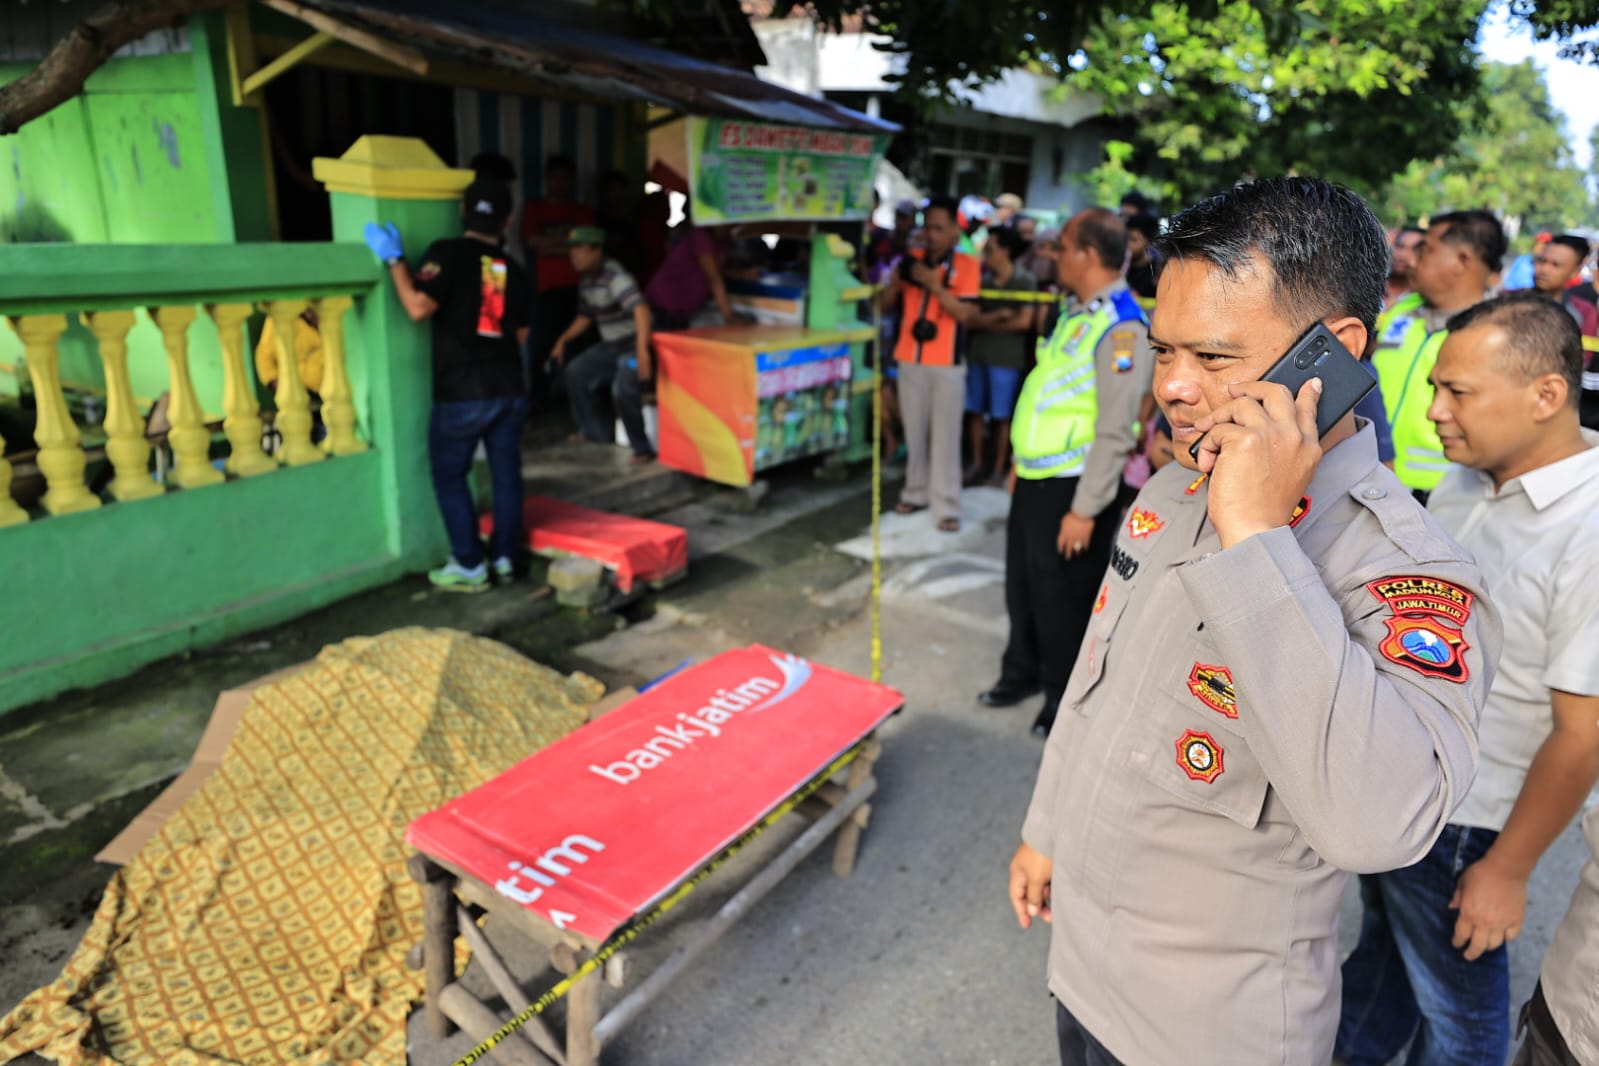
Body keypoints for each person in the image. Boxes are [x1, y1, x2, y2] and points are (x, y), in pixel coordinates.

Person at [1008, 177, 1498, 1066]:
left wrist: (1258, 541)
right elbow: (1093, 683)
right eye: (1164, 352)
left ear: (1334, 353)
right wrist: (1045, 828)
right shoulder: (1168, 488)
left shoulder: (1406, 573)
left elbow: (1378, 824)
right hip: (1080, 969)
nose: (1174, 388)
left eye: (1215, 357)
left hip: (1210, 1031)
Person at [1334, 291, 1599, 1066]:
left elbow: (1583, 732)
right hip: (1403, 782)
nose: (1434, 412)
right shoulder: (1463, 480)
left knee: (1463, 1029)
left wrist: (1506, 870)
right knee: (1382, 973)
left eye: (1458, 392)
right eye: (1431, 389)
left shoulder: (1588, 527)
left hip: (1469, 820)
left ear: (1546, 395)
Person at [980, 208, 1151, 737]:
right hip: (1036, 477)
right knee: (1024, 587)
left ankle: (1061, 695)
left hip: (1075, 487)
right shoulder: (1077, 312)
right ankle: (1021, 671)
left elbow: (1115, 429)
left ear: (1089, 255)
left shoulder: (1122, 327)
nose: (1053, 255)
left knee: (1063, 598)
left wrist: (1084, 509)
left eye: (1063, 246)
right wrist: (1017, 465)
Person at [363, 180, 532, 592]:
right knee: (506, 473)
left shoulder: (448, 252)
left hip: (462, 390)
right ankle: (506, 558)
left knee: (450, 475)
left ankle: (471, 565)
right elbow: (521, 336)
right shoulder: (510, 268)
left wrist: (395, 260)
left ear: (462, 210)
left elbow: (418, 307)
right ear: (507, 221)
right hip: (507, 385)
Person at [1371, 209, 1505, 498]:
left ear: (1462, 261)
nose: (1413, 260)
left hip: (1440, 493)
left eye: (1427, 250)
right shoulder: (1404, 309)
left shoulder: (1496, 331)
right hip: (1372, 472)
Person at [883, 196, 980, 532]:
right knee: (915, 430)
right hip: (910, 357)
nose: (932, 235)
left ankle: (947, 504)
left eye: (940, 228)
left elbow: (966, 313)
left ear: (955, 230)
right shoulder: (910, 261)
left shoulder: (967, 265)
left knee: (946, 435)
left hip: (947, 362)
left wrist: (934, 285)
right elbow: (884, 307)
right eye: (928, 227)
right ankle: (916, 491)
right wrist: (896, 285)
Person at [551, 226, 653, 456]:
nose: (573, 255)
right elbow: (585, 316)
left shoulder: (615, 276)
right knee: (576, 371)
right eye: (572, 250)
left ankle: (642, 448)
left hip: (632, 348)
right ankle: (593, 432)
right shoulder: (587, 280)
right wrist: (562, 340)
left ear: (597, 251)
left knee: (623, 384)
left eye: (580, 249)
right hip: (612, 348)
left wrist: (643, 351)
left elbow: (641, 309)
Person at [964, 226, 1037, 486]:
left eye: (991, 248)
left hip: (1007, 360)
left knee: (1002, 416)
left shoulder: (1025, 280)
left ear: (1006, 250)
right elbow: (969, 319)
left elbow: (1023, 323)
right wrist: (999, 316)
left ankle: (997, 469)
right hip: (978, 355)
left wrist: (984, 320)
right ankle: (976, 464)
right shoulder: (980, 280)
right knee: (974, 411)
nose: (986, 253)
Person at [522, 155, 596, 405]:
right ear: (547, 180)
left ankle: (578, 401)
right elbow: (533, 243)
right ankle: (541, 401)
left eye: (565, 178)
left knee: (581, 346)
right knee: (544, 346)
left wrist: (550, 245)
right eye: (555, 177)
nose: (560, 183)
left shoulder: (582, 210)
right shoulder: (535, 208)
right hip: (549, 290)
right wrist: (569, 243)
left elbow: (588, 245)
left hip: (583, 288)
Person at [644, 217, 737, 330]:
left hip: (683, 309)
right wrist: (729, 317)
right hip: (665, 303)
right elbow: (714, 278)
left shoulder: (723, 241)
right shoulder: (701, 236)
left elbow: (718, 274)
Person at [1533, 233, 1599, 338]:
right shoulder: (1509, 301)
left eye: (1556, 265)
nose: (1544, 269)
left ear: (1575, 271)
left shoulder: (1583, 313)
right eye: (1542, 261)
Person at [1387, 226, 1424, 309]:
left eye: (1415, 249)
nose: (1402, 255)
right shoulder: (1371, 285)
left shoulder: (1423, 301)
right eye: (1400, 246)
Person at [1124, 213, 1160, 300]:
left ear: (1148, 242)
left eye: (1134, 239)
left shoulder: (1157, 272)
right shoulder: (1119, 266)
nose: (1127, 244)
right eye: (1125, 238)